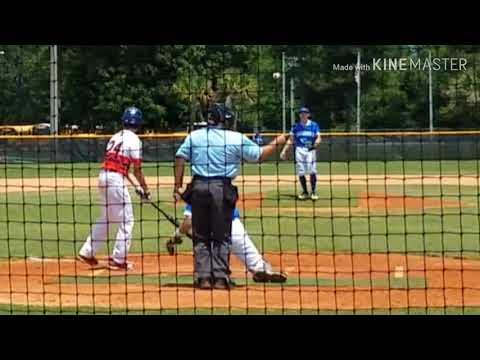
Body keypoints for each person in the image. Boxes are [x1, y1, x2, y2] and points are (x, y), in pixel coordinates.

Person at [174, 103, 288, 290]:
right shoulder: (235, 138)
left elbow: (180, 157)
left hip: (199, 187)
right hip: (222, 188)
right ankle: (220, 278)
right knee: (222, 235)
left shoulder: (194, 136)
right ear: (224, 120)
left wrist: (177, 186)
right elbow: (259, 156)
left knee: (201, 236)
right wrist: (279, 141)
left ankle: (203, 278)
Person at [77, 107, 151, 270]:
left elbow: (124, 169)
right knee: (127, 220)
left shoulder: (116, 136)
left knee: (107, 218)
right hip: (115, 180)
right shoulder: (135, 140)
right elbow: (137, 170)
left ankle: (87, 252)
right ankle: (118, 259)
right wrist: (146, 189)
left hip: (103, 177)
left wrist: (137, 187)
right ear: (138, 123)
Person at [167, 204, 288, 283]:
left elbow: (188, 222)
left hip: (213, 234)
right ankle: (262, 269)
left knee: (204, 246)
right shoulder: (226, 188)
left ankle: (210, 274)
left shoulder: (198, 190)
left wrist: (175, 237)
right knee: (254, 260)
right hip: (234, 227)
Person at [280, 107, 321, 200]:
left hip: (310, 149)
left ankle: (313, 192)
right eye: (301, 113)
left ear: (308, 114)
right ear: (299, 115)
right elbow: (291, 140)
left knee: (312, 170)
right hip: (299, 149)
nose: (303, 115)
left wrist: (315, 144)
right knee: (301, 171)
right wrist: (284, 150)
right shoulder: (295, 126)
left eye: (305, 113)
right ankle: (305, 192)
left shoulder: (314, 125)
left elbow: (319, 137)